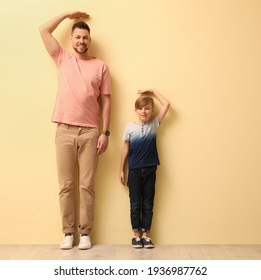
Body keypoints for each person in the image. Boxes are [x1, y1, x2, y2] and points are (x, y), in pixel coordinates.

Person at [39, 11, 111, 250]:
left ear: (89, 41)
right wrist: (68, 14)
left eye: (85, 38)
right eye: (78, 37)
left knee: (87, 185)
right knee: (66, 185)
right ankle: (68, 232)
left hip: (90, 132)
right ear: (72, 40)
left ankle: (85, 233)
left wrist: (105, 132)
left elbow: (106, 101)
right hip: (64, 130)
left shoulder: (100, 66)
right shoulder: (62, 58)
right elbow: (43, 30)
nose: (81, 41)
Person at [119, 89, 170, 248]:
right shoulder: (129, 127)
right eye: (141, 108)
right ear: (135, 110)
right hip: (134, 171)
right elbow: (125, 149)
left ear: (152, 111)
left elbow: (167, 104)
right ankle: (136, 235)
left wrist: (153, 91)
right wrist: (121, 169)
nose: (144, 111)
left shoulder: (154, 124)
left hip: (150, 169)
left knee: (148, 203)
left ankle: (146, 235)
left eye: (147, 108)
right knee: (135, 204)